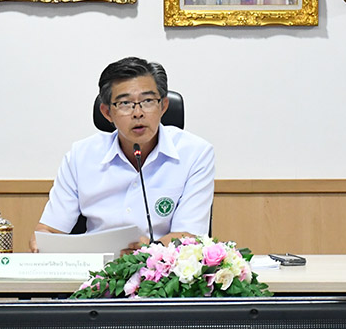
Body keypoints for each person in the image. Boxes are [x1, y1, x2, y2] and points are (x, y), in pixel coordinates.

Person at [29, 57, 215, 252]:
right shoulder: (80, 157)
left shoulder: (195, 154)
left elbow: (189, 236)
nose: (138, 113)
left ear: (163, 106)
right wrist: (40, 243)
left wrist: (150, 250)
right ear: (107, 113)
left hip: (159, 267)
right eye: (125, 103)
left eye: (148, 101)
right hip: (96, 267)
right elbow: (49, 229)